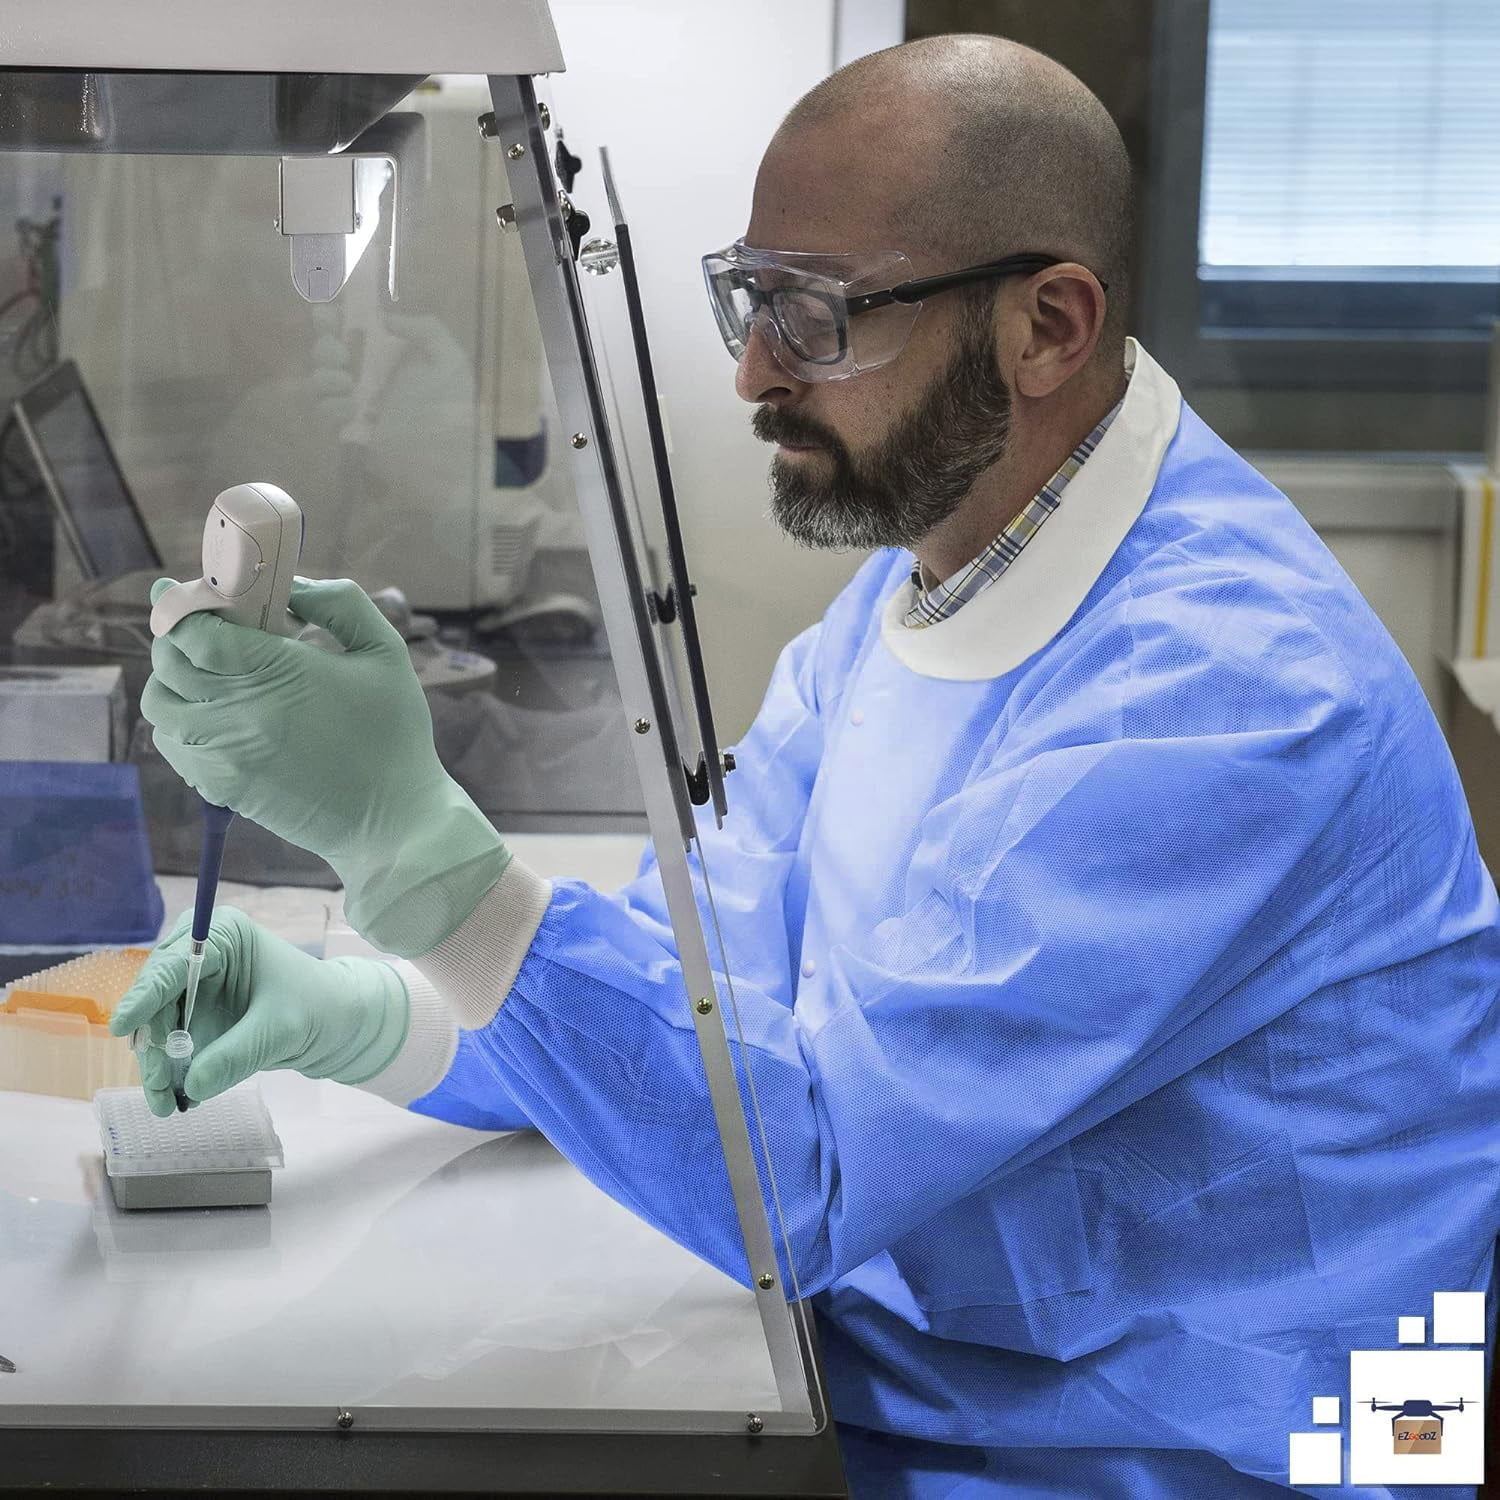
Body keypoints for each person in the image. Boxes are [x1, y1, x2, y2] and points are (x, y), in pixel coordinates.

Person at [113, 35, 1499, 1500]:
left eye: (817, 313)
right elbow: (706, 991)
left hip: (1227, 1457)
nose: (752, 370)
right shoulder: (931, 582)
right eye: (750, 294)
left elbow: (804, 1176)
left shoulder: (1226, 696)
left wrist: (414, 850)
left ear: (1047, 326)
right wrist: (369, 1016)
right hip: (977, 1393)